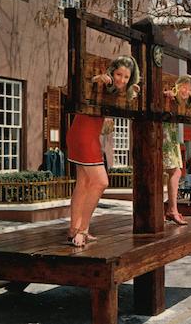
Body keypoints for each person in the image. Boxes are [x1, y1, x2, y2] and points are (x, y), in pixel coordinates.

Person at [66, 55, 140, 247]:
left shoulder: (119, 91)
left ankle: (74, 228)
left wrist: (132, 91)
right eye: (118, 74)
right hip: (83, 134)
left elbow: (123, 94)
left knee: (83, 183)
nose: (121, 80)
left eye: (126, 77)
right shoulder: (102, 81)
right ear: (111, 71)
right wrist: (97, 79)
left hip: (85, 135)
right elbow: (90, 82)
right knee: (100, 181)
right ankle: (82, 230)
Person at [162, 75, 191, 225]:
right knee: (174, 172)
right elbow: (165, 95)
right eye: (184, 87)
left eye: (189, 89)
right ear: (178, 85)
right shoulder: (169, 93)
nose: (186, 91)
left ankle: (171, 208)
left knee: (175, 172)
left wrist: (188, 94)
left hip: (172, 134)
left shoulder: (186, 98)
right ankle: (171, 209)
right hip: (164, 134)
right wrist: (167, 94)